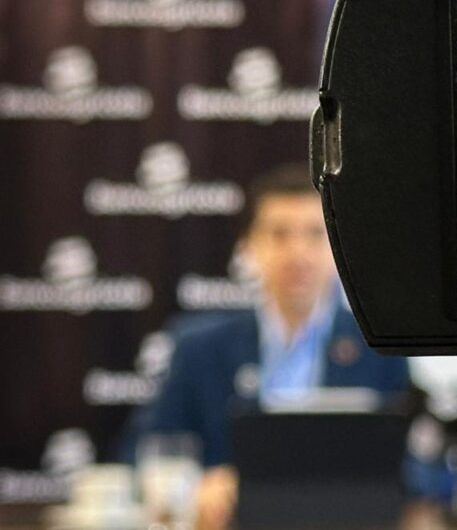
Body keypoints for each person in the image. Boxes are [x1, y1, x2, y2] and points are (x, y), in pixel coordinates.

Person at [144, 165, 412, 530]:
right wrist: (195, 486)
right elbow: (150, 448)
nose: (298, 253)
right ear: (248, 246)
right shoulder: (200, 348)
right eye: (279, 234)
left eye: (315, 234)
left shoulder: (379, 346)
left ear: (340, 246)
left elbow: (413, 464)